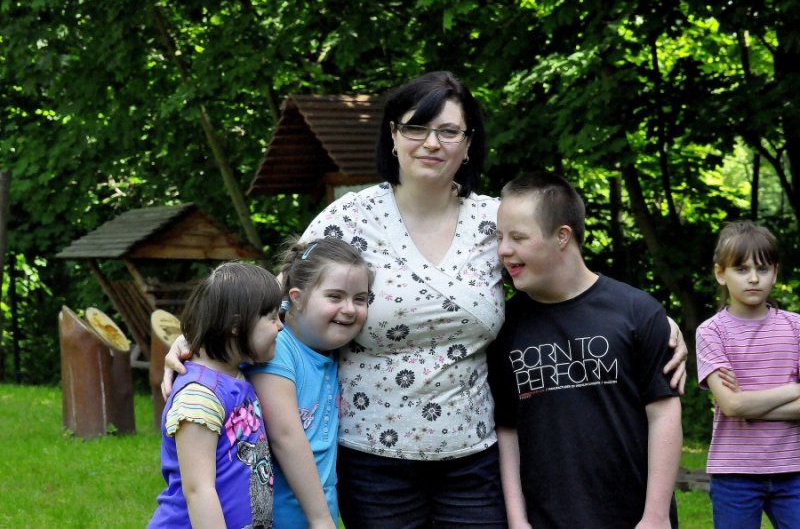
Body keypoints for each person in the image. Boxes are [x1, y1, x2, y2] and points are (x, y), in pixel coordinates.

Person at [164, 71, 688, 528]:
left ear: (468, 143)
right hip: (372, 456)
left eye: (449, 131)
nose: (431, 143)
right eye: (416, 127)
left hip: (474, 455)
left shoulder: (494, 221)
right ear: (393, 136)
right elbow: (270, 297)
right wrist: (196, 342)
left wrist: (655, 323)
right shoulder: (348, 218)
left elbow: (565, 280)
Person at [488, 171, 682, 528]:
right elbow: (507, 429)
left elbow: (664, 413)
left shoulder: (637, 312)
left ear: (562, 236)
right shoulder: (505, 326)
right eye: (499, 237)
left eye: (518, 237)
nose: (503, 250)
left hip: (634, 519)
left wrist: (655, 516)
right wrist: (517, 520)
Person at [247, 237, 372, 528]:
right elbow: (285, 436)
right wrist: (320, 519)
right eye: (335, 297)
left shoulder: (328, 349)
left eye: (360, 299)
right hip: (277, 517)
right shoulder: (277, 349)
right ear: (297, 297)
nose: (349, 309)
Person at [149, 262, 284, 529]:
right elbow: (199, 491)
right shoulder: (199, 397)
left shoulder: (234, 373)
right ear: (236, 325)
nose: (281, 326)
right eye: (272, 317)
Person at [695, 220, 800, 528]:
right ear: (720, 274)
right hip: (734, 474)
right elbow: (732, 405)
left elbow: (741, 404)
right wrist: (795, 388)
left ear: (775, 272)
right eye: (741, 269)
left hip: (794, 470)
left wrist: (748, 404)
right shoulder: (711, 332)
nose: (753, 278)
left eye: (763, 268)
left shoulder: (796, 327)